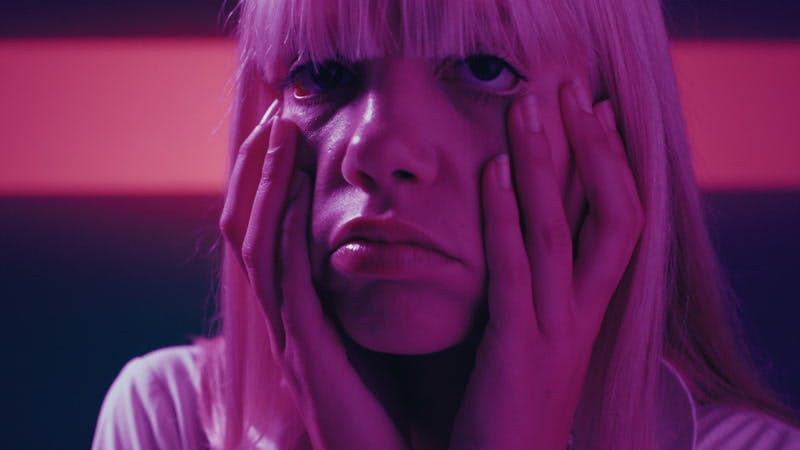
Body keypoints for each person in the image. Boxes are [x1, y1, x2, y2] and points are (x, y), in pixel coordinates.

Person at [92, 0, 800, 449]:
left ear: (616, 137)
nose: (378, 148)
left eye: (485, 68)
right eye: (322, 72)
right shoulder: (168, 422)